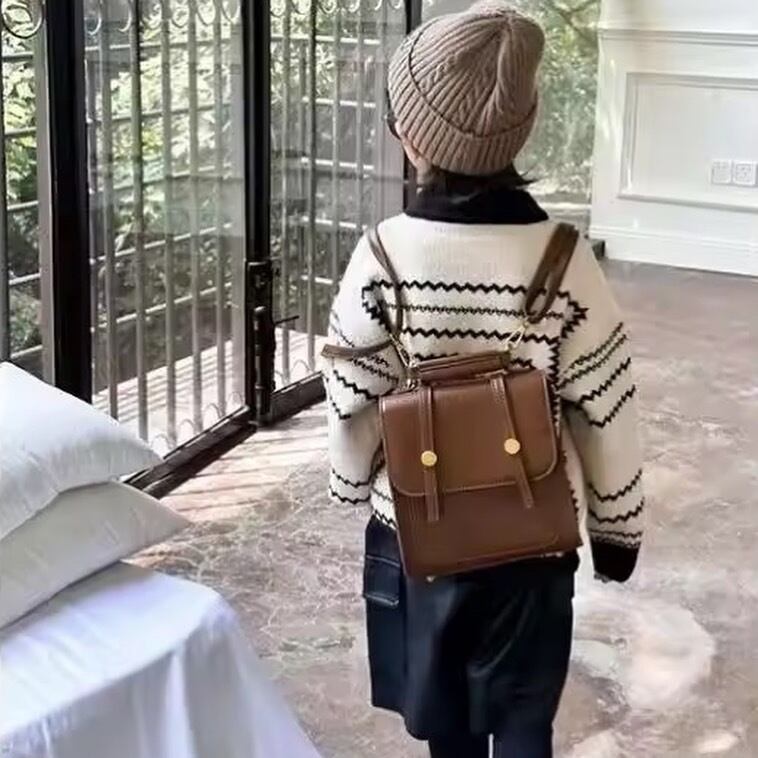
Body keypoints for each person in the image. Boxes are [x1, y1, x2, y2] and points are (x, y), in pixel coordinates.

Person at [321, 3, 644, 756]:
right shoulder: (565, 258)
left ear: (412, 136)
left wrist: (349, 484)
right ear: (518, 133)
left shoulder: (384, 253)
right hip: (533, 543)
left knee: (448, 728)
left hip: (418, 534)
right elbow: (606, 403)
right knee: (526, 725)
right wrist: (617, 529)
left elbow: (352, 395)